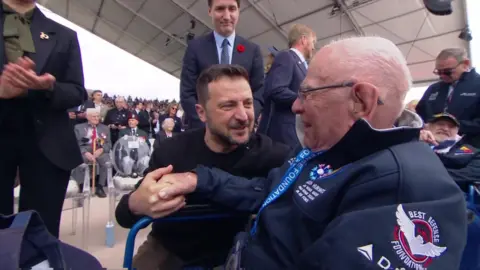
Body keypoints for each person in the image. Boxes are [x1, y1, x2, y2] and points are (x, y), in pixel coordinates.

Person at [146, 37, 467, 269]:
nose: (296, 106)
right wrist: (196, 179)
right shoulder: (334, 152)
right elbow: (268, 190)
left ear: (361, 101)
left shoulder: (410, 189)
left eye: (308, 93)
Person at [115, 65, 291, 270]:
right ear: (202, 112)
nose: (243, 115)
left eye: (248, 103)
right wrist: (136, 203)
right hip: (172, 251)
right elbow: (124, 216)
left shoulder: (273, 155)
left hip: (242, 254)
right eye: (228, 106)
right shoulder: (172, 152)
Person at [0, 0, 87, 238]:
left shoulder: (63, 35)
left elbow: (77, 91)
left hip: (48, 146)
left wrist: (48, 87)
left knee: (41, 237)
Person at [180, 0, 264, 129]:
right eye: (220, 9)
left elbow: (259, 92)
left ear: (238, 11)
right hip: (204, 133)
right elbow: (187, 93)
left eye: (232, 9)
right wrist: (209, 124)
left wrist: (246, 117)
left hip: (240, 130)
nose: (226, 16)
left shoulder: (252, 51)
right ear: (210, 11)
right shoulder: (195, 48)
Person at [258, 24, 316, 148]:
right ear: (303, 39)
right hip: (281, 134)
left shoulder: (301, 64)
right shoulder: (287, 57)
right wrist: (304, 100)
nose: (313, 47)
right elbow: (276, 89)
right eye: (312, 42)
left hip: (293, 132)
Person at [416, 48, 480, 148]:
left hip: (470, 150)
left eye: (447, 72)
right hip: (432, 147)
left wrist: (455, 127)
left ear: (465, 64)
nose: (442, 76)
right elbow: (420, 114)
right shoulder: (433, 88)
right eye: (438, 72)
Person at [73, 108, 112, 198]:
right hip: (85, 150)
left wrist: (102, 149)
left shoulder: (105, 128)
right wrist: (85, 152)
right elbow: (75, 144)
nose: (96, 118)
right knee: (80, 161)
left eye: (98, 116)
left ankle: (100, 186)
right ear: (87, 117)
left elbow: (109, 144)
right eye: (94, 116)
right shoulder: (78, 128)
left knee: (106, 162)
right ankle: (82, 186)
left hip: (99, 150)